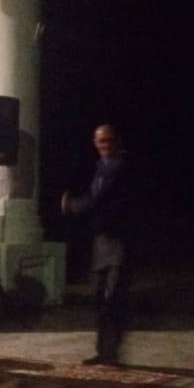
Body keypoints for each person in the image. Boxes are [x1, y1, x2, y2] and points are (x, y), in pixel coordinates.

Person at [61, 124, 138, 366]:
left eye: (109, 140)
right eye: (101, 141)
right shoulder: (100, 167)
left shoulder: (121, 167)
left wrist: (73, 206)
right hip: (102, 240)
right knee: (100, 299)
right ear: (95, 143)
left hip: (120, 240)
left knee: (113, 297)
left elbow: (102, 199)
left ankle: (112, 352)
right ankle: (103, 351)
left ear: (117, 141)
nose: (106, 145)